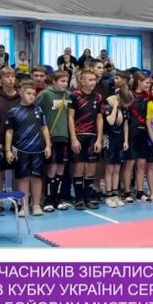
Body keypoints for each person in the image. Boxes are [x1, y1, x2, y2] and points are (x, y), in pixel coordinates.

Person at [5, 81, 52, 217]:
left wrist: (48, 145)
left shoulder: (38, 110)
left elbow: (44, 128)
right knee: (23, 178)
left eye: (33, 94)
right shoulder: (13, 111)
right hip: (21, 150)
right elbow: (9, 132)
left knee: (37, 178)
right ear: (21, 93)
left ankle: (36, 205)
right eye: (28, 93)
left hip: (38, 150)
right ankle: (24, 206)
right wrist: (8, 150)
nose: (32, 96)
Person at [68, 70, 104, 210]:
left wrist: (99, 139)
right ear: (82, 82)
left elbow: (99, 118)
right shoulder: (74, 96)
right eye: (90, 80)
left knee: (91, 168)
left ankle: (87, 198)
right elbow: (70, 117)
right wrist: (73, 138)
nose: (93, 82)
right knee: (78, 168)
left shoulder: (98, 97)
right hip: (78, 135)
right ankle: (78, 199)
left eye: (94, 79)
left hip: (92, 136)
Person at [35, 71, 71, 212]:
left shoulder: (69, 95)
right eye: (62, 81)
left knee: (61, 168)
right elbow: (36, 111)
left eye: (66, 81)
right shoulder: (45, 94)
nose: (65, 84)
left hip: (65, 136)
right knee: (52, 168)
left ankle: (58, 198)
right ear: (54, 81)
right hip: (51, 136)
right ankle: (48, 199)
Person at [0, 67, 21, 213]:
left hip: (18, 140)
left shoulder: (20, 97)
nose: (10, 79)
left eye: (12, 76)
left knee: (17, 171)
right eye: (7, 77)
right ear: (1, 80)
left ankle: (16, 200)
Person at [123, 72, 150, 203]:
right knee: (130, 164)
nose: (148, 85)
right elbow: (126, 119)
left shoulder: (148, 97)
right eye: (146, 82)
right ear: (139, 82)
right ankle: (127, 193)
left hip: (144, 134)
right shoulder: (129, 95)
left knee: (141, 164)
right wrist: (126, 139)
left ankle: (140, 192)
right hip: (131, 134)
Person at [103, 88, 132, 207]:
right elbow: (110, 121)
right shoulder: (108, 106)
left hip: (119, 140)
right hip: (109, 140)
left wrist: (126, 140)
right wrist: (115, 107)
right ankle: (108, 195)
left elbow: (125, 124)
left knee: (117, 169)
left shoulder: (124, 109)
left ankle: (115, 194)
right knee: (109, 169)